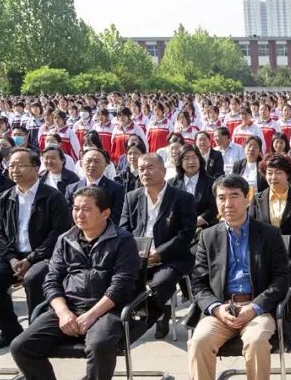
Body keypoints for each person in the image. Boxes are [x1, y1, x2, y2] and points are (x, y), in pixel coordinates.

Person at [10, 186, 141, 380]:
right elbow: (52, 281)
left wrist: (91, 315)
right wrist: (63, 313)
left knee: (101, 343)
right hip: (68, 308)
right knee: (21, 346)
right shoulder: (65, 239)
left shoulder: (123, 240)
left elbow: (122, 285)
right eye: (76, 208)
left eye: (87, 209)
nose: (79, 214)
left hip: (106, 309)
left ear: (105, 213)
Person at [183, 175, 291, 380]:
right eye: (221, 197)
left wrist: (254, 308)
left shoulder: (268, 234)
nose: (227, 203)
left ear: (247, 197)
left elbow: (281, 280)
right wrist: (217, 309)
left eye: (233, 196)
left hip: (256, 308)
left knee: (255, 341)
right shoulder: (208, 236)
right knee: (198, 342)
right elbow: (198, 282)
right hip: (221, 308)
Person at [0, 148, 72, 351]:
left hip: (45, 256)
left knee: (34, 278)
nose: (14, 170)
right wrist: (12, 259)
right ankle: (9, 331)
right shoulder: (5, 197)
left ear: (35, 168)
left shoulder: (52, 196)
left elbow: (59, 233)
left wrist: (31, 259)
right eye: (11, 165)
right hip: (14, 257)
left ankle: (38, 333)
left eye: (20, 165)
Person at [120, 153, 197, 340]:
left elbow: (186, 233)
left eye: (150, 168)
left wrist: (160, 253)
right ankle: (161, 310)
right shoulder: (132, 197)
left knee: (161, 284)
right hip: (138, 256)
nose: (145, 172)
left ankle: (149, 317)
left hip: (171, 258)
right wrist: (135, 250)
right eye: (141, 169)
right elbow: (123, 229)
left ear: (163, 171)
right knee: (119, 283)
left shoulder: (182, 198)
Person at [248, 153, 291, 349]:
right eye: (269, 173)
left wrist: (283, 242)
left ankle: (282, 328)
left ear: (288, 175)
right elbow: (251, 227)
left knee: (284, 280)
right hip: (265, 253)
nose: (273, 177)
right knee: (261, 277)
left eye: (278, 173)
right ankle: (271, 327)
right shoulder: (258, 199)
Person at [65, 147, 125, 226]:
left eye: (96, 161)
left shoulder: (116, 189)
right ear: (81, 164)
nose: (92, 165)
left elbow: (116, 217)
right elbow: (67, 217)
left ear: (106, 165)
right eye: (88, 161)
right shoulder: (72, 189)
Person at [168, 145, 216, 230]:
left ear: (199, 160)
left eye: (194, 157)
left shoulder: (211, 182)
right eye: (186, 159)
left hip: (205, 229)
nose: (191, 162)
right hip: (178, 230)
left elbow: (213, 208)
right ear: (180, 162)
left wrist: (194, 222)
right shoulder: (172, 183)